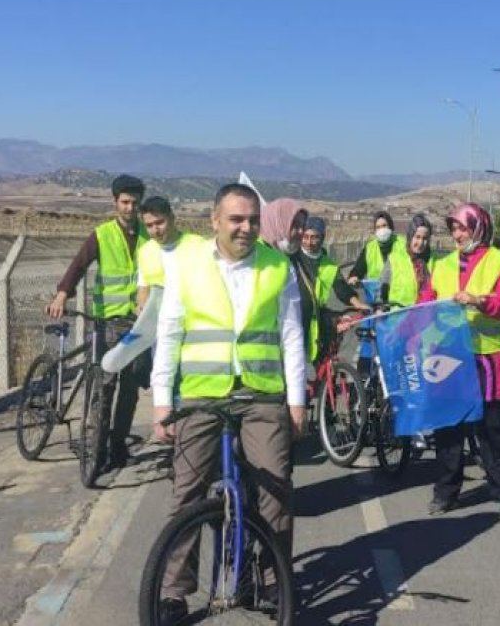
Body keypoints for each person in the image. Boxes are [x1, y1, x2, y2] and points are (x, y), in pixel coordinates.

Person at [149, 183, 307, 616]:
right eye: (236, 219)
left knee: (275, 488)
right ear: (214, 220)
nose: (246, 228)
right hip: (202, 394)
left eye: (253, 219)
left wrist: (297, 402)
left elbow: (292, 337)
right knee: (187, 493)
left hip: (262, 394)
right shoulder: (187, 264)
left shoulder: (278, 266)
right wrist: (162, 402)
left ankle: (275, 582)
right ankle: (173, 592)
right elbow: (169, 334)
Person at [419, 203, 500, 521]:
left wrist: (479, 300)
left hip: (488, 359)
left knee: (493, 430)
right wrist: (419, 309)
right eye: (453, 228)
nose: (457, 234)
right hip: (450, 357)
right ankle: (446, 493)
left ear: (478, 228)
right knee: (449, 429)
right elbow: (427, 298)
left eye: (462, 228)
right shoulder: (442, 264)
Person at [48, 173, 149, 470]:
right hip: (107, 322)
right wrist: (62, 294)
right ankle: (96, 450)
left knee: (130, 390)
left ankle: (118, 448)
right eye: (125, 202)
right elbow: (79, 264)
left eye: (135, 203)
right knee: (103, 388)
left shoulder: (149, 235)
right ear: (115, 203)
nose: (130, 208)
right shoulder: (102, 234)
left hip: (138, 324)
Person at [292, 215, 367, 366]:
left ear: (322, 238)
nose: (309, 242)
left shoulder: (329, 265)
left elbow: (341, 288)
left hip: (317, 317)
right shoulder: (293, 259)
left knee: (321, 361)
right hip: (295, 316)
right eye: (305, 237)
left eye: (314, 237)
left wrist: (357, 303)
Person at [134, 196, 203, 313]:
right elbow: (144, 288)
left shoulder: (198, 245)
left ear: (172, 218)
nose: (155, 230)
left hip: (192, 321)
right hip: (159, 324)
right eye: (149, 225)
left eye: (159, 222)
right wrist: (142, 308)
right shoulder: (145, 252)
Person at [347, 211, 418, 306]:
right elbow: (358, 269)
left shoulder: (404, 244)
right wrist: (354, 277)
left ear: (390, 227)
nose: (382, 230)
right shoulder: (370, 248)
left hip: (399, 301)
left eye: (384, 226)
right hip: (376, 299)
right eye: (378, 227)